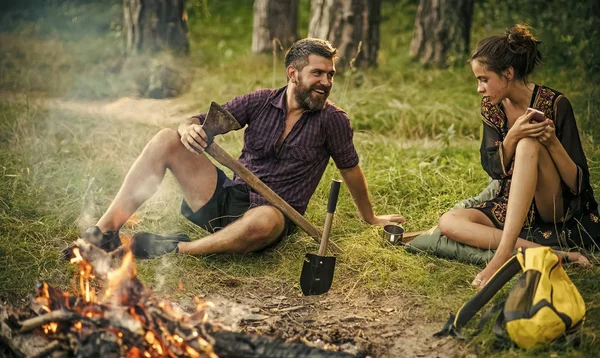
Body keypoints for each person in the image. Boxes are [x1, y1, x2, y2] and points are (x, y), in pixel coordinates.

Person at [69, 38, 404, 259]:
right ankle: (104, 232)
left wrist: (370, 217)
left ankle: (175, 248)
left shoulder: (333, 121)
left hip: (270, 215)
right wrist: (189, 129)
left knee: (265, 221)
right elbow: (201, 120)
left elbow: (351, 170)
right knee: (166, 138)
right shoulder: (259, 102)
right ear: (293, 74)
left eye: (330, 75)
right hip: (227, 197)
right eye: (317, 73)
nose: (326, 82)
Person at [437, 24, 600, 289]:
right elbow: (493, 169)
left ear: (508, 73)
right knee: (449, 221)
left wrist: (551, 142)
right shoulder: (492, 107)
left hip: (553, 206)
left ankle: (502, 256)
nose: (480, 88)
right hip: (513, 201)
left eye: (483, 79)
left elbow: (578, 184)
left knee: (528, 144)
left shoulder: (556, 103)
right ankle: (555, 254)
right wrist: (512, 135)